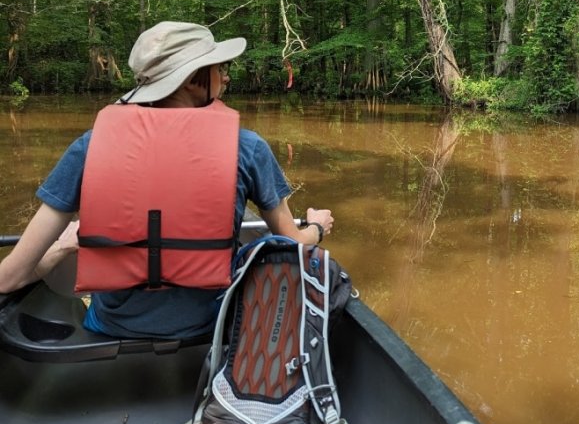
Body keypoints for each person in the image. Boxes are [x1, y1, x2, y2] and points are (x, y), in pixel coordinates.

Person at [0, 21, 333, 339]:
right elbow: (293, 245)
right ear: (191, 80)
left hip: (111, 324)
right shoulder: (248, 148)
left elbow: (9, 277)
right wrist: (317, 226)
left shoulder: (91, 145)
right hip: (210, 325)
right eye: (219, 67)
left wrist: (63, 246)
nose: (226, 77)